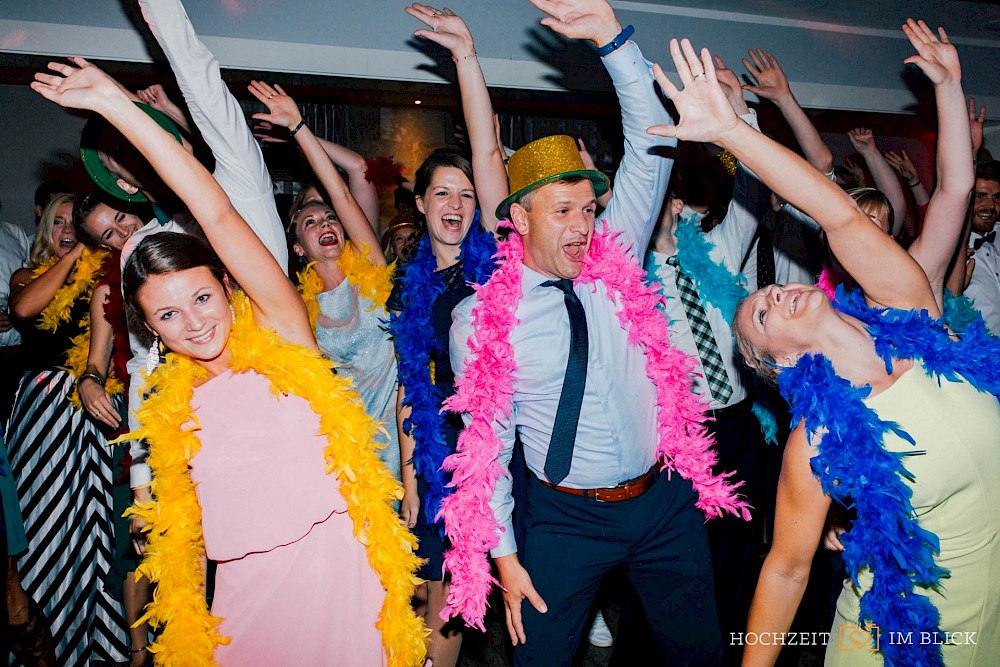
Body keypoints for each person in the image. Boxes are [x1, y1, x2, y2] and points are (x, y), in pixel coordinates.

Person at [31, 53, 426, 667]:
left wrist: (117, 109)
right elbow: (180, 540)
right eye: (167, 315)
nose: (194, 322)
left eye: (202, 297)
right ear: (149, 329)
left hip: (342, 577)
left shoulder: (283, 332)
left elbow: (212, 207)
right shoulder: (170, 407)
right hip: (246, 600)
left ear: (226, 284)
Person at [640, 21, 998, 667]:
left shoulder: (913, 313)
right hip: (900, 641)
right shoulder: (818, 441)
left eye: (766, 293)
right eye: (760, 315)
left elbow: (842, 211)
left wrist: (947, 87)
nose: (772, 294)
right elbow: (784, 571)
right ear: (779, 359)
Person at [444, 2, 748, 664]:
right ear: (518, 219)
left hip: (662, 502)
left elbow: (650, 140)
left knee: (700, 653)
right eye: (562, 210)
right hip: (563, 519)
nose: (583, 224)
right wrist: (504, 553)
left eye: (588, 207)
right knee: (542, 657)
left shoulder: (616, 255)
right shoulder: (482, 318)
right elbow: (487, 447)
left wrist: (614, 42)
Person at [387, 5, 508, 665]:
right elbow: (412, 380)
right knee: (436, 585)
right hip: (435, 443)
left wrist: (466, 58)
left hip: (494, 436)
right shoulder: (408, 287)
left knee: (481, 583)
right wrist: (410, 476)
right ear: (420, 202)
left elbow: (489, 152)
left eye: (465, 193)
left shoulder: (490, 264)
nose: (457, 203)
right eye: (443, 193)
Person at [644, 55, 771, 662]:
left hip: (739, 423)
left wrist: (739, 110)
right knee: (680, 564)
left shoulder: (716, 245)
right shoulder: (627, 282)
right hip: (678, 436)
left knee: (742, 553)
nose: (671, 206)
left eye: (671, 196)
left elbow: (751, 187)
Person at [247, 79, 401, 484]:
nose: (326, 223)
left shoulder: (368, 268)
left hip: (405, 434)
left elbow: (344, 190)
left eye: (329, 217)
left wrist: (299, 130)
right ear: (298, 248)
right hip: (348, 447)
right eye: (310, 222)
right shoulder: (299, 309)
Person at [6, 194, 132, 665]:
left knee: (97, 528)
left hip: (98, 410)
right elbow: (24, 310)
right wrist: (78, 250)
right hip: (44, 416)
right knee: (44, 524)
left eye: (73, 223)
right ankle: (43, 637)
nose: (66, 228)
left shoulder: (107, 277)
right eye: (58, 222)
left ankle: (100, 646)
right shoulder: (27, 275)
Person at [962, 161, 1000, 334]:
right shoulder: (951, 251)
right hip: (979, 354)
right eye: (980, 196)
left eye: (996, 197)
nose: (990, 206)